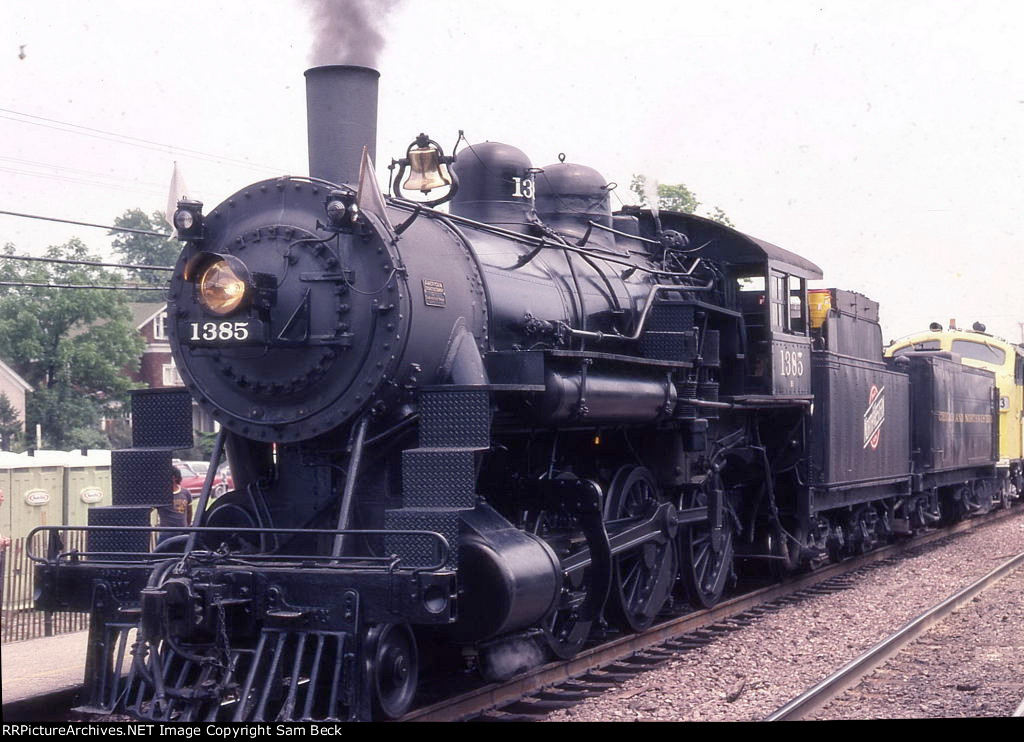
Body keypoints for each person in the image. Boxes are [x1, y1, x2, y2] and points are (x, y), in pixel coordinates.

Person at [156, 467, 191, 543]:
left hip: (182, 531)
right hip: (166, 533)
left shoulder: (185, 492)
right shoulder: (160, 494)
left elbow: (189, 511)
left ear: (174, 477)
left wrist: (187, 527)